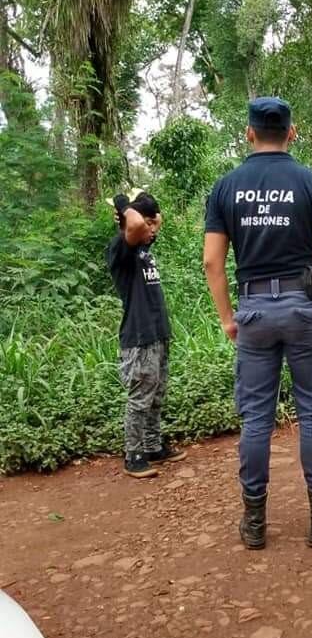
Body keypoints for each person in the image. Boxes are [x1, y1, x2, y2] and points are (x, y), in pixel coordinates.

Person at [203, 96, 312, 550]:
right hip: (304, 308)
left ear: (249, 133)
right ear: (291, 132)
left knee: (255, 418)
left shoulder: (226, 186)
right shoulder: (308, 181)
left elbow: (212, 260)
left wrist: (228, 318)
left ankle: (254, 523)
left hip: (254, 312)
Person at [107, 191, 186, 478]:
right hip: (139, 338)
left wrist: (147, 211)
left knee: (156, 395)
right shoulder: (121, 249)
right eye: (146, 224)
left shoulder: (143, 248)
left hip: (157, 333)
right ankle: (134, 454)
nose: (151, 228)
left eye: (152, 223)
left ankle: (153, 445)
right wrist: (122, 205)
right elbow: (137, 224)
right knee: (140, 398)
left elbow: (154, 220)